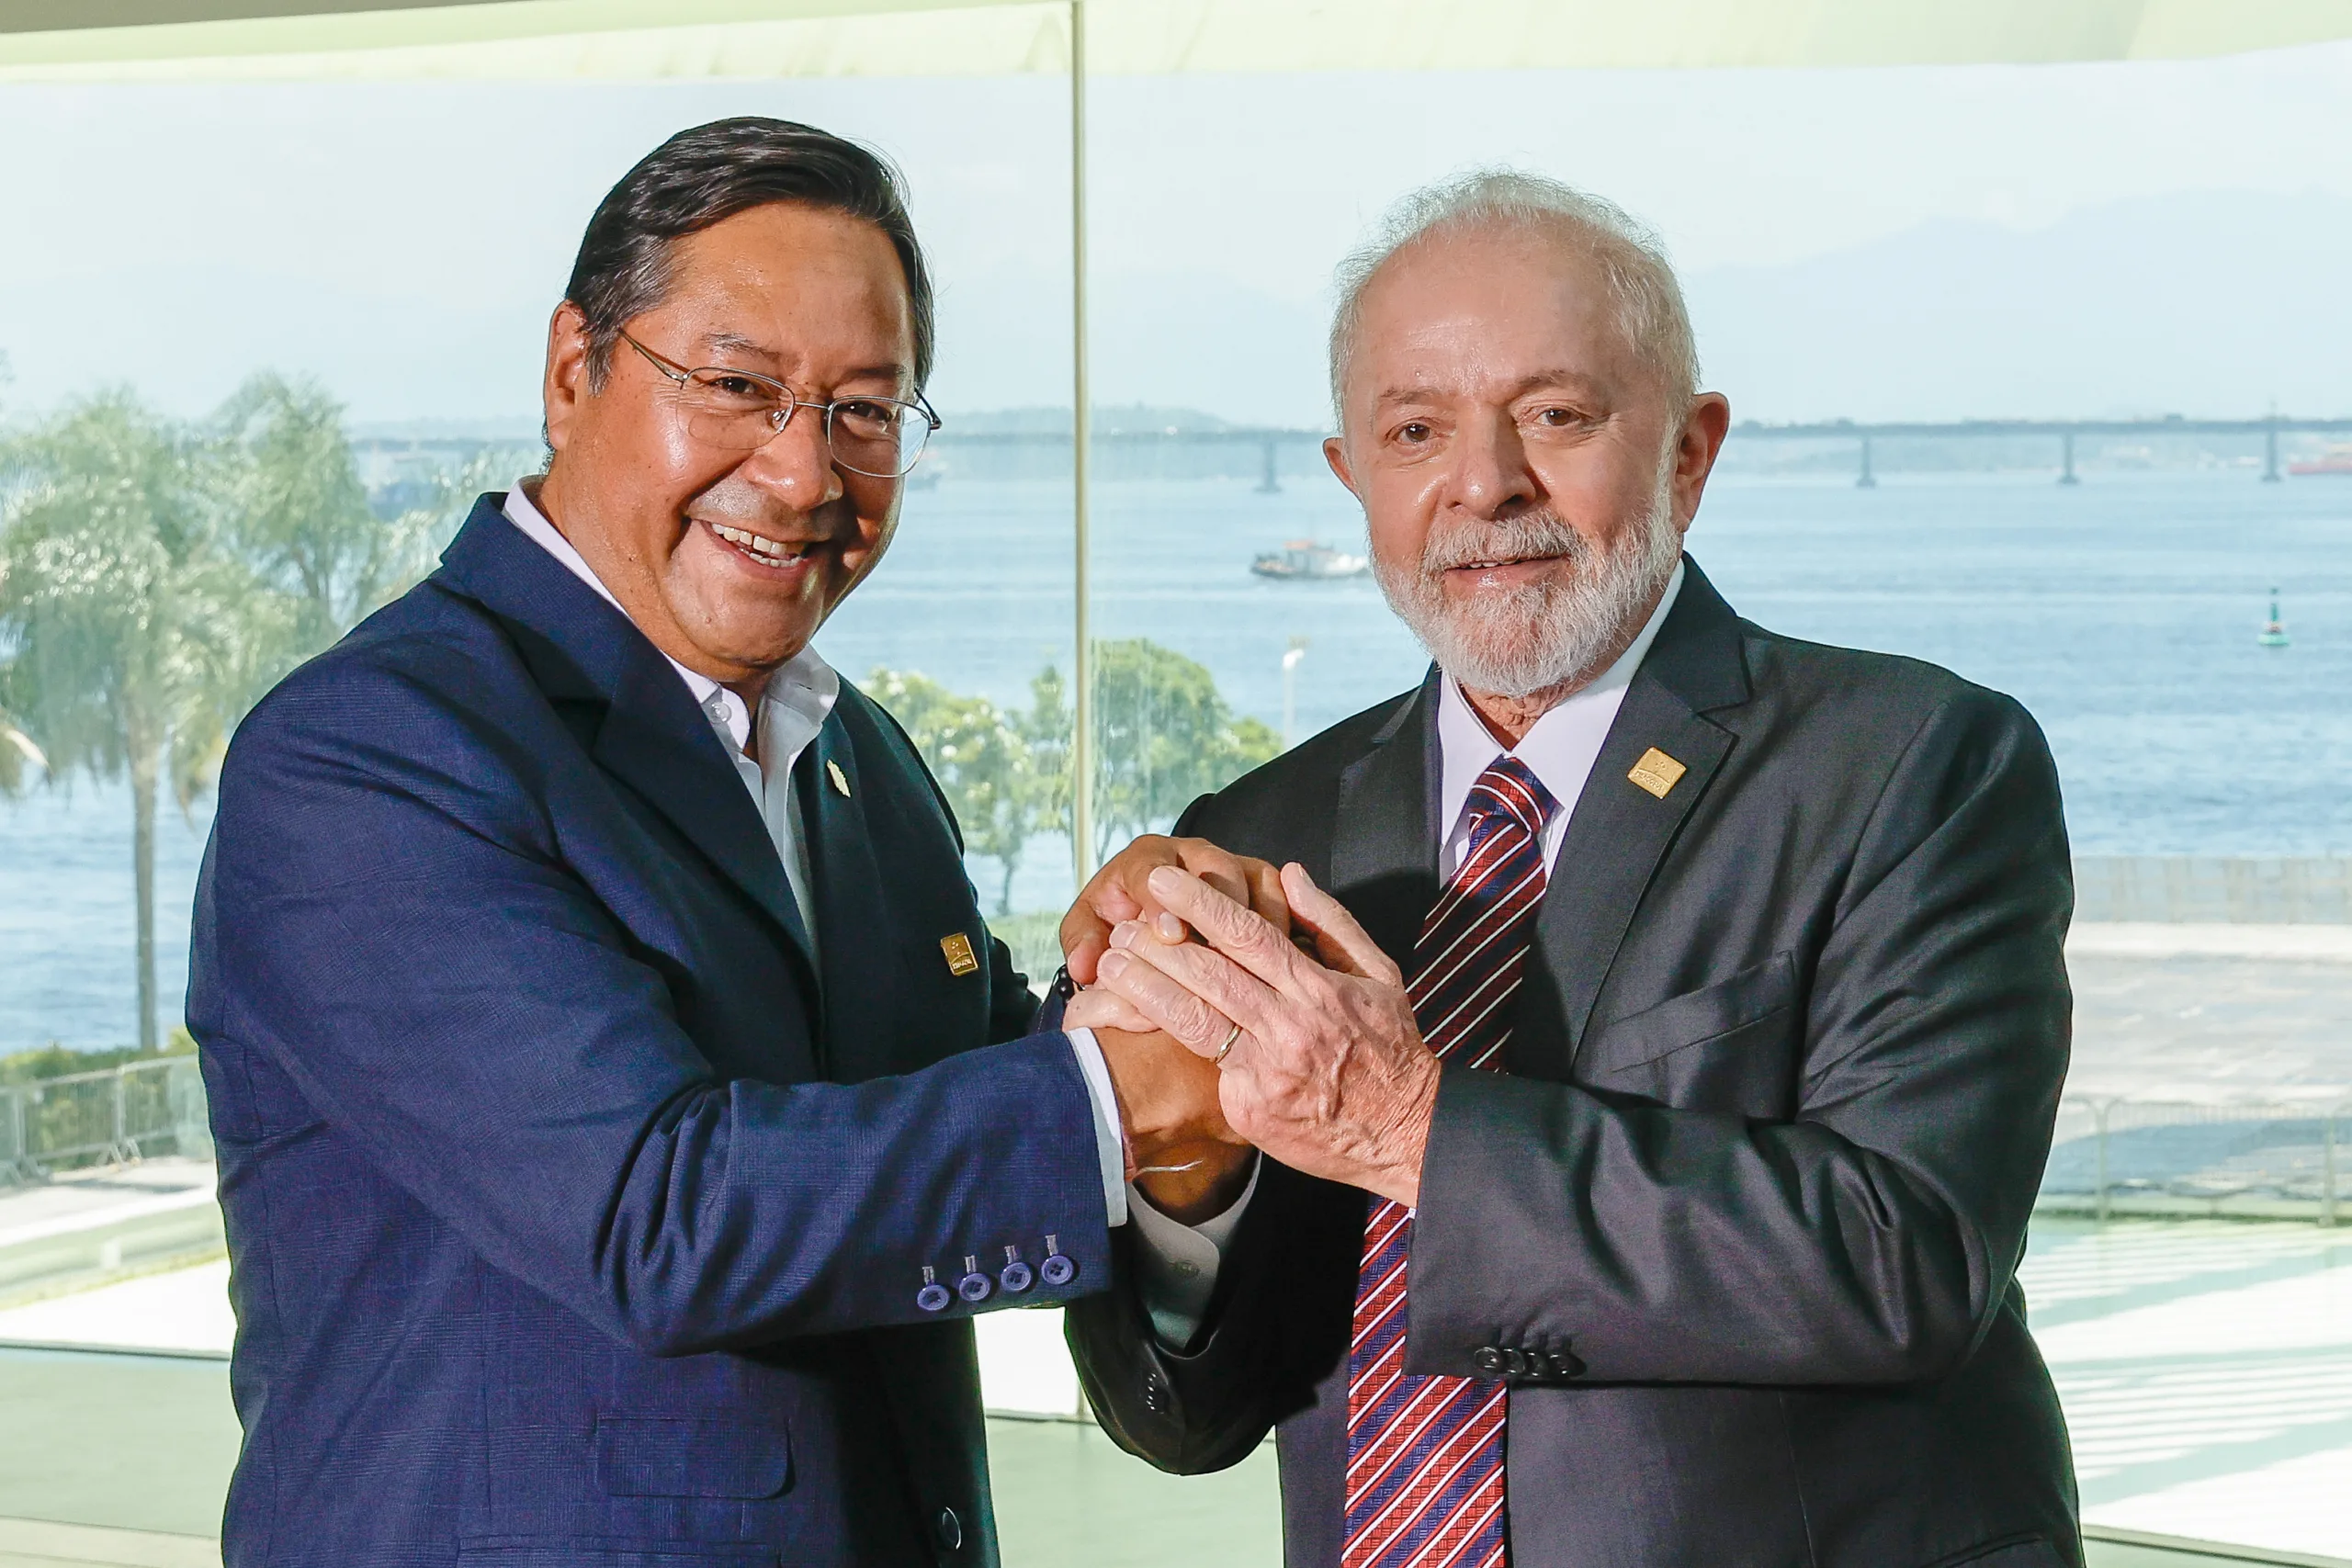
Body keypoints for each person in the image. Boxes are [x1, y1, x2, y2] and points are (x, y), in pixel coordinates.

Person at [187, 118, 1243, 1568]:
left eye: (865, 413)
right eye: (739, 387)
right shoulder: (369, 752)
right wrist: (1116, 1097)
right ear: (574, 373)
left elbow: (951, 1098)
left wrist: (1154, 983)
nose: (806, 473)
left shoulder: (854, 752)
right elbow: (653, 1209)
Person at [1062, 171, 2081, 1568]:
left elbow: (1907, 1259)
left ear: (1689, 453)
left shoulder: (1915, 764)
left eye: (1557, 415)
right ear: (1355, 478)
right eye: (1417, 429)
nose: (1485, 484)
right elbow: (1182, 1417)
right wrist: (1184, 1173)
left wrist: (1409, 1125)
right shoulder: (1269, 826)